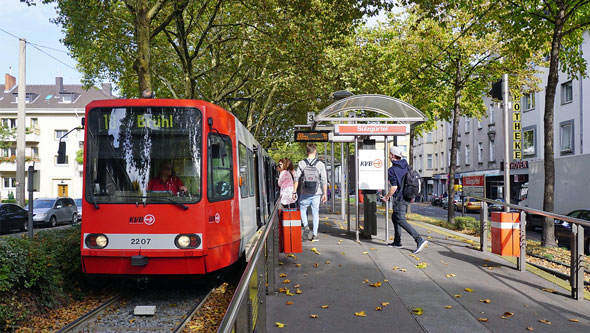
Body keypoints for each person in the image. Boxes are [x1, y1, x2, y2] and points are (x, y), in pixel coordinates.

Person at [382, 146, 428, 254]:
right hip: (408, 196)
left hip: (400, 198)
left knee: (401, 219)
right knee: (395, 217)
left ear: (393, 156)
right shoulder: (407, 166)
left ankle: (419, 239)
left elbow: (394, 187)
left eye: (389, 154)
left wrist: (387, 196)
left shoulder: (392, 170)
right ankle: (397, 241)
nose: (389, 156)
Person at [293, 144, 328, 242]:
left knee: (303, 209)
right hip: (316, 192)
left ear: (307, 152)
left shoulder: (301, 163)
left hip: (304, 192)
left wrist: (294, 191)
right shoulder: (320, 164)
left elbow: (296, 179)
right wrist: (325, 194)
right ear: (315, 151)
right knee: (315, 213)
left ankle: (306, 225)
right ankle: (315, 235)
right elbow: (324, 180)